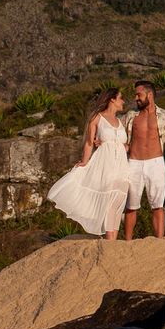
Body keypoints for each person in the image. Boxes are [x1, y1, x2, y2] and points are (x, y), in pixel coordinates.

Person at [47, 88, 129, 239]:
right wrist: (85, 161)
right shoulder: (97, 118)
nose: (123, 101)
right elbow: (89, 143)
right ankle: (110, 238)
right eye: (120, 98)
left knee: (119, 200)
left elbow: (124, 145)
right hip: (105, 164)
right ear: (112, 99)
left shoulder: (120, 121)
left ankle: (113, 240)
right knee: (109, 199)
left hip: (121, 165)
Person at [123, 80, 165, 239]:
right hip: (133, 163)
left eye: (139, 95)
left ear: (149, 95)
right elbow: (118, 135)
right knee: (131, 206)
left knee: (157, 206)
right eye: (135, 95)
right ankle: (127, 242)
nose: (136, 98)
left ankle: (159, 242)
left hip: (156, 163)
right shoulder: (131, 116)